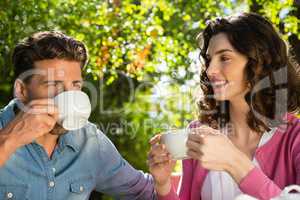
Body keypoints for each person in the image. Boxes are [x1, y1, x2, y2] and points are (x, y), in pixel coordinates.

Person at [148, 12, 300, 200]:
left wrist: (233, 162)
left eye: (225, 58)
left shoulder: (295, 138)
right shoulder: (198, 133)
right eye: (209, 59)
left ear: (260, 63)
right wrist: (163, 186)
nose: (210, 70)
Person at [0, 31, 156, 200]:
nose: (69, 96)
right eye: (54, 85)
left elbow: (146, 192)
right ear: (22, 90)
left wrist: (164, 178)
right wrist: (10, 139)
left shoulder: (89, 141)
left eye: (75, 85)